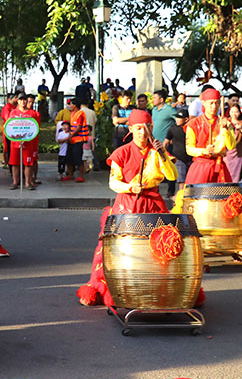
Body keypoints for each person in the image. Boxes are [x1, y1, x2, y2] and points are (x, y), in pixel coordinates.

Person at [77, 109, 180, 307]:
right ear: (131, 129)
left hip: (153, 203)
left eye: (147, 128)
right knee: (118, 248)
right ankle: (111, 288)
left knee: (159, 248)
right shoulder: (121, 152)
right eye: (139, 128)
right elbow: (113, 183)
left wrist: (162, 155)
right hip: (128, 203)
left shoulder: (157, 151)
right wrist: (130, 187)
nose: (143, 132)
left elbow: (172, 176)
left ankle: (156, 288)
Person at [183, 88, 236, 185]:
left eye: (217, 103)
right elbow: (189, 149)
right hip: (200, 167)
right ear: (203, 103)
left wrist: (226, 129)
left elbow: (231, 146)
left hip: (219, 167)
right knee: (198, 198)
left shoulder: (226, 123)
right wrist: (204, 151)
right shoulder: (193, 124)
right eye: (211, 103)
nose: (214, 106)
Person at [8, 94, 40, 190]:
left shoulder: (32, 113)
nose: (23, 102)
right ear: (17, 101)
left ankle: (27, 182)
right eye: (21, 100)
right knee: (15, 163)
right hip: (15, 142)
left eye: (24, 100)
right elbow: (9, 126)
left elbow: (36, 128)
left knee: (28, 163)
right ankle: (15, 182)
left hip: (28, 142)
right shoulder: (13, 113)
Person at [164, 109, 190, 198]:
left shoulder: (190, 128)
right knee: (181, 181)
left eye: (180, 118)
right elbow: (166, 142)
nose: (177, 119)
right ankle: (180, 199)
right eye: (176, 117)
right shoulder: (172, 129)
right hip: (178, 158)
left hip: (191, 158)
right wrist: (163, 153)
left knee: (190, 180)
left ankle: (186, 197)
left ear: (186, 119)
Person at [222, 103, 242, 182]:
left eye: (236, 112)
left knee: (235, 174)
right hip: (226, 151)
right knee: (225, 172)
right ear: (229, 112)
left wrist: (241, 129)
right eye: (232, 111)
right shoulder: (225, 122)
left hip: (237, 151)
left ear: (239, 113)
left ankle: (233, 191)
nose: (234, 114)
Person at [68, 98, 89, 182]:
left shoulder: (80, 114)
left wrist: (71, 136)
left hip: (78, 140)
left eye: (71, 104)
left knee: (78, 158)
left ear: (75, 105)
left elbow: (79, 127)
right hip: (72, 140)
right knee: (70, 158)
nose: (69, 106)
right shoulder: (73, 114)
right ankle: (70, 174)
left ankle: (81, 175)